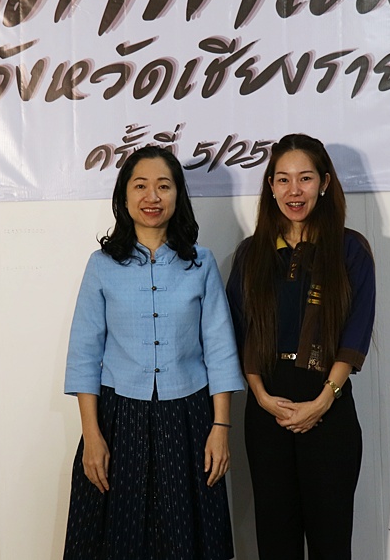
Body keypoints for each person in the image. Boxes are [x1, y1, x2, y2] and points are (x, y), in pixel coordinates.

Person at [63, 145, 245, 560]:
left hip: (189, 418)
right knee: (119, 539)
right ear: (124, 196)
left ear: (178, 194)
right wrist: (92, 435)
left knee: (184, 538)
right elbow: (85, 354)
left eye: (163, 186)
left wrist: (221, 428)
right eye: (140, 186)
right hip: (118, 417)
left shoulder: (201, 263)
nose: (152, 197)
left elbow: (220, 350)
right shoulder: (101, 265)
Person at [226, 133, 376, 560]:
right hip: (266, 408)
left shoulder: (350, 249)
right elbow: (238, 332)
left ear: (324, 183)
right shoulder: (251, 254)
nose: (294, 191)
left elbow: (356, 331)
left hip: (329, 405)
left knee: (331, 544)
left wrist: (323, 401)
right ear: (270, 185)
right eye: (283, 179)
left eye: (305, 178)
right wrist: (260, 395)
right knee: (276, 543)